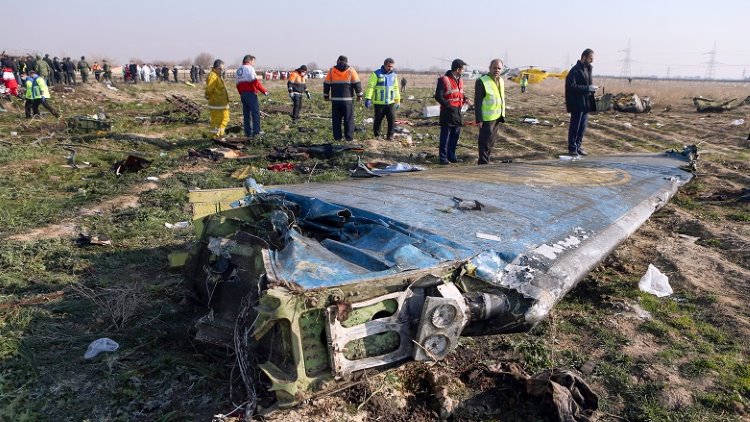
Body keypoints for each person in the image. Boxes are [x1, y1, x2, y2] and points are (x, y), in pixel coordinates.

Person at [434, 58, 471, 164]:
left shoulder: (460, 80)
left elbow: (459, 93)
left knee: (455, 136)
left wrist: (466, 99)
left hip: (458, 112)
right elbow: (438, 96)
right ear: (458, 69)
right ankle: (443, 158)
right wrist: (448, 105)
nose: (464, 71)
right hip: (448, 113)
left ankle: (451, 156)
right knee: (445, 137)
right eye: (463, 69)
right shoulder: (444, 80)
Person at [565, 48, 596, 156]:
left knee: (582, 127)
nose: (592, 60)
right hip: (577, 103)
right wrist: (588, 88)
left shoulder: (588, 69)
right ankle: (572, 148)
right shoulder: (575, 70)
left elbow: (587, 85)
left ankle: (578, 146)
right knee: (575, 126)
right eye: (590, 58)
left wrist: (592, 89)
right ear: (584, 57)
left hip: (585, 103)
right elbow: (571, 86)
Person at [474, 59, 506, 165]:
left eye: (499, 68)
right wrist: (479, 119)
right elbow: (477, 102)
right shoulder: (482, 81)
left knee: (491, 142)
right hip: (486, 118)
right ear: (490, 68)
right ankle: (483, 164)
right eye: (494, 67)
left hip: (497, 116)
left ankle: (486, 161)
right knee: (484, 142)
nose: (497, 70)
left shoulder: (501, 80)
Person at [323, 55, 363, 142]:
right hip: (347, 100)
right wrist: (359, 95)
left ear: (338, 61)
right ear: (346, 62)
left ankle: (337, 138)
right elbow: (357, 83)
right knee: (348, 119)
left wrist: (326, 96)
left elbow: (326, 84)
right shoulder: (351, 70)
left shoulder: (331, 70)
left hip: (335, 100)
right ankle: (349, 138)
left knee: (336, 120)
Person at [364, 58, 401, 140]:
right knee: (378, 120)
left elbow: (396, 88)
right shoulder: (376, 74)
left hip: (390, 102)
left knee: (391, 119)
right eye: (389, 66)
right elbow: (371, 87)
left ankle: (390, 136)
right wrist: (368, 98)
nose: (390, 68)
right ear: (384, 65)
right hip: (379, 103)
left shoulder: (394, 75)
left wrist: (397, 100)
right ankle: (377, 136)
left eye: (392, 67)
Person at [236, 54, 269, 137]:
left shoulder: (239, 70)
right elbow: (255, 82)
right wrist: (264, 91)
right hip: (250, 93)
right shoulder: (249, 68)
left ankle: (248, 132)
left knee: (246, 113)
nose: (254, 64)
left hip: (243, 94)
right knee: (255, 113)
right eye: (253, 61)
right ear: (249, 61)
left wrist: (241, 93)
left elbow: (237, 84)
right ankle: (256, 132)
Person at [205, 59, 229, 140]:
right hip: (216, 104)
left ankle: (220, 135)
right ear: (217, 68)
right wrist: (207, 96)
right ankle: (213, 138)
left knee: (225, 118)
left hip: (223, 104)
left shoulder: (218, 76)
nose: (222, 70)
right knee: (216, 122)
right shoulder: (212, 75)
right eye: (221, 69)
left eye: (223, 69)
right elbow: (209, 89)